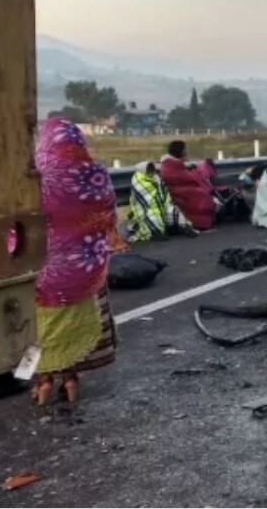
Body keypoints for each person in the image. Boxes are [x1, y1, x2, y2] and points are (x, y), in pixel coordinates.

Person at [29, 118, 118, 405]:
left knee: (36, 327)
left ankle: (41, 381)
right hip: (83, 270)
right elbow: (108, 214)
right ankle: (70, 379)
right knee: (71, 325)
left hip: (41, 268)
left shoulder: (33, 174)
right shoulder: (96, 172)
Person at [126, 161, 196, 242]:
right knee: (153, 217)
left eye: (151, 168)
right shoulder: (137, 181)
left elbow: (165, 193)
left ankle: (186, 228)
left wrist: (166, 204)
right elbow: (144, 200)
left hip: (162, 206)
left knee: (174, 211)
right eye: (148, 169)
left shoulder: (156, 178)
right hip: (145, 211)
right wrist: (156, 206)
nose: (150, 171)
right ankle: (156, 234)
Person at [158, 141, 216, 230]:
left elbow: (183, 176)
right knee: (202, 194)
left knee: (201, 193)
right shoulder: (173, 164)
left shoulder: (173, 163)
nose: (186, 151)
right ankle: (200, 223)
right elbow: (185, 178)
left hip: (178, 188)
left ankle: (201, 221)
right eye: (184, 149)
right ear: (179, 150)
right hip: (177, 190)